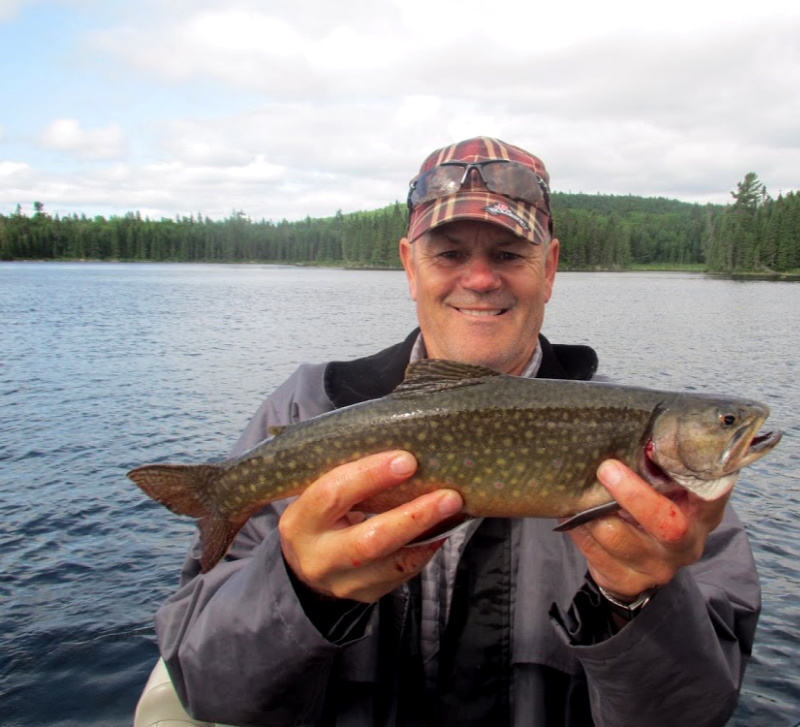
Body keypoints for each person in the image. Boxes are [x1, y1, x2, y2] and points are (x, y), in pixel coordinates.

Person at [154, 137, 760, 726]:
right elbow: (207, 685)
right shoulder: (307, 409)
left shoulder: (674, 496)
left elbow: (695, 712)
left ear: (548, 269)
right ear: (409, 268)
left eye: (507, 255)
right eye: (448, 254)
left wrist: (640, 599)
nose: (479, 279)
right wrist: (302, 588)